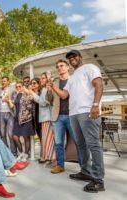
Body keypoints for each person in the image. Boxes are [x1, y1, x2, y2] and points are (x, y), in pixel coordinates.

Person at [50, 50, 105, 193]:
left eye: (74, 56)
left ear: (80, 57)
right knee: (80, 145)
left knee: (93, 144)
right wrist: (53, 86)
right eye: (69, 58)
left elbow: (98, 84)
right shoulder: (73, 77)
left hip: (87, 111)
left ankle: (98, 180)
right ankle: (85, 172)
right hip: (73, 114)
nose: (72, 58)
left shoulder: (90, 68)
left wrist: (95, 105)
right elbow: (63, 95)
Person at [49, 60, 80, 174]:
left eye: (61, 66)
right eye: (57, 67)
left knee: (78, 142)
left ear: (67, 67)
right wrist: (49, 89)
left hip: (72, 116)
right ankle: (60, 165)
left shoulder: (74, 80)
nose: (59, 68)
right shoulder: (55, 82)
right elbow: (49, 100)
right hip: (57, 117)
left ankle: (84, 167)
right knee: (58, 143)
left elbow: (65, 96)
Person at [28, 73, 55, 164]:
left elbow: (43, 103)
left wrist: (32, 94)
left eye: (43, 78)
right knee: (46, 139)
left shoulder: (45, 89)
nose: (41, 80)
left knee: (48, 139)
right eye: (41, 78)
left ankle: (51, 158)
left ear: (48, 79)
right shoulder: (45, 89)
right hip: (43, 118)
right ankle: (47, 157)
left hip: (47, 117)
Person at [0, 75, 17, 156]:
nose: (3, 82)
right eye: (2, 81)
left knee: (10, 134)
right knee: (2, 134)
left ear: (8, 82)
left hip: (9, 113)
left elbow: (15, 101)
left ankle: (14, 152)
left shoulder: (12, 89)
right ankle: (6, 151)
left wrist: (9, 100)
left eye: (4, 81)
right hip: (0, 113)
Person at [12, 81, 35, 162]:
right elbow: (13, 106)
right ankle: (21, 153)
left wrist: (27, 91)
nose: (18, 88)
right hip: (17, 118)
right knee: (15, 136)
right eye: (17, 86)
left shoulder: (26, 93)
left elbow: (33, 99)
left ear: (23, 86)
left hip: (26, 118)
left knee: (26, 137)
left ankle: (25, 154)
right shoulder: (16, 95)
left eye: (20, 86)